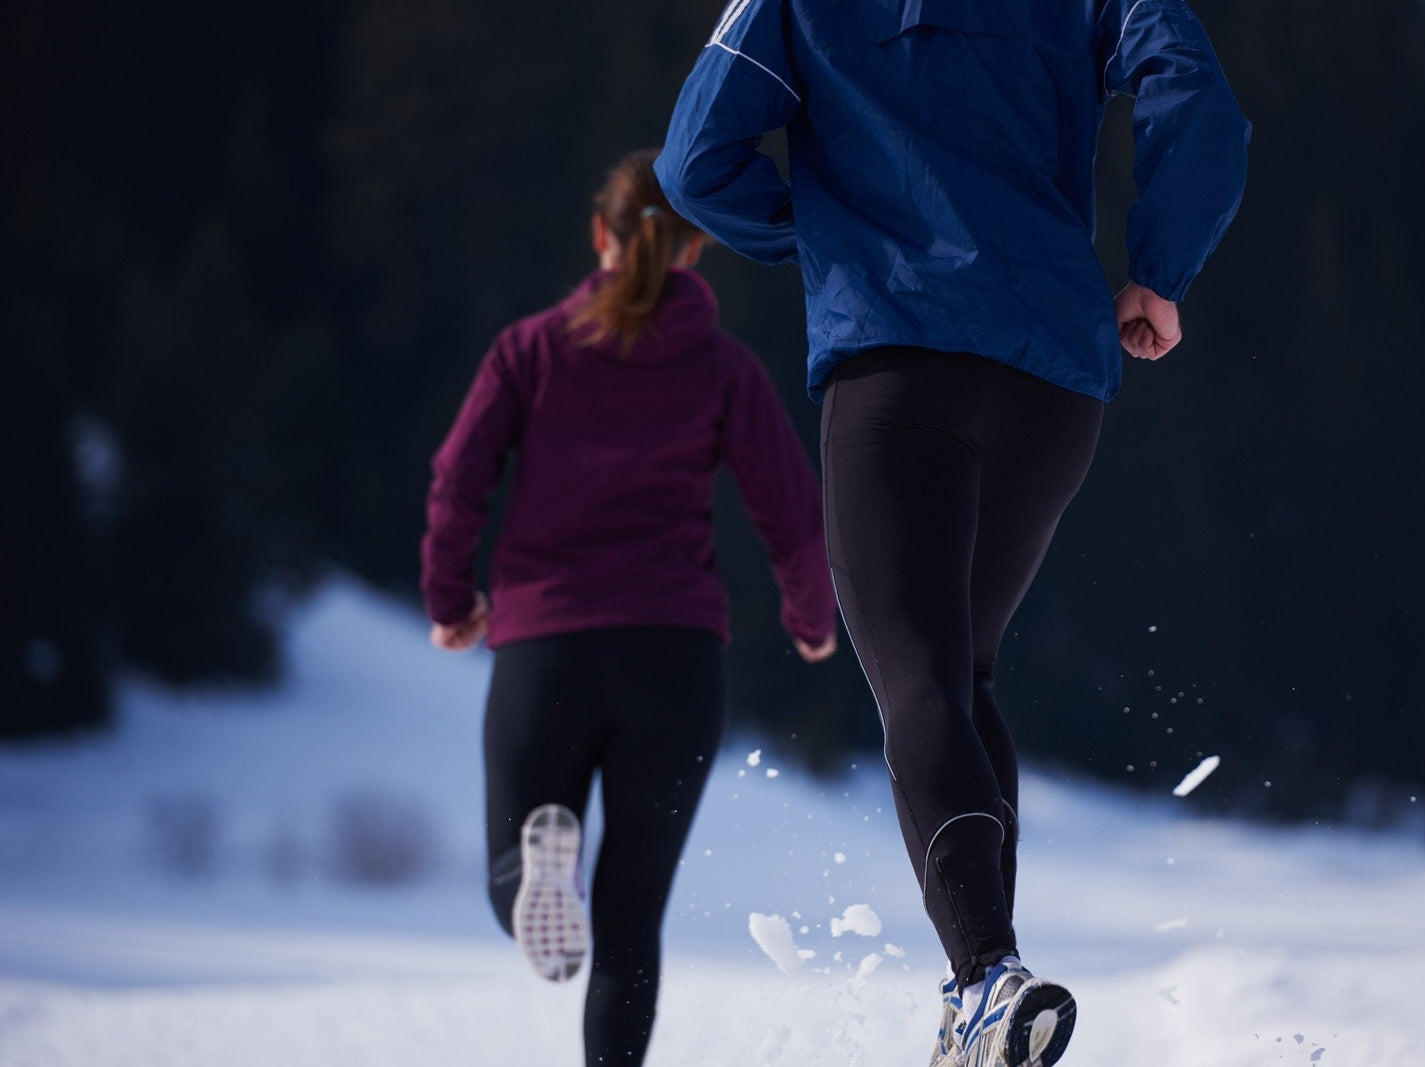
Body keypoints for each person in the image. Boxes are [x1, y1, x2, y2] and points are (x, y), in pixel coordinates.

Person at [655, 1, 1250, 1064]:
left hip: (896, 360)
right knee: (961, 675)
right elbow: (1196, 92)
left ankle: (985, 974)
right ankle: (980, 999)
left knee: (921, 675)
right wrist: (1159, 268)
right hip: (1052, 375)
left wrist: (831, 233)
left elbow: (696, 163)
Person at [420, 148, 838, 1067]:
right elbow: (796, 517)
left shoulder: (529, 349)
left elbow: (459, 481)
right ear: (697, 249)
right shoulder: (724, 367)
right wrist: (810, 621)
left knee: (514, 878)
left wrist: (453, 599)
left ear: (600, 235)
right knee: (631, 917)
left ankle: (539, 870)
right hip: (676, 660)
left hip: (546, 652)